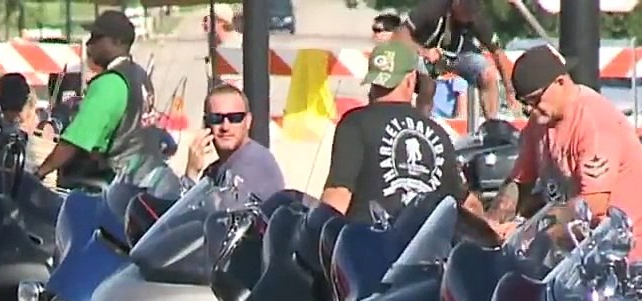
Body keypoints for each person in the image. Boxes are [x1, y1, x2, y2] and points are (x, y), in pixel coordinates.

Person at [487, 45, 642, 260]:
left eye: (535, 100)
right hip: (588, 251)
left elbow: (593, 205)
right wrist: (490, 228)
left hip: (634, 251)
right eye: (524, 103)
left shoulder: (594, 122)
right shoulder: (540, 122)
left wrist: (530, 233)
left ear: (560, 82)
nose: (530, 109)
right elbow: (519, 183)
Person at [321, 40, 480, 222]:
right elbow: (469, 205)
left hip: (366, 246)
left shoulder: (355, 124)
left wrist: (316, 234)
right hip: (422, 247)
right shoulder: (438, 133)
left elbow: (337, 196)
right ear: (411, 80)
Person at [34, 10, 155, 185]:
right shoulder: (140, 77)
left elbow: (74, 141)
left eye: (96, 37)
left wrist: (40, 172)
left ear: (117, 41)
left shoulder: (110, 82)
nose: (89, 44)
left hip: (105, 185)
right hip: (136, 181)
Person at [397, 0, 517, 123]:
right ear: (456, 3)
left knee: (487, 71)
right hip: (422, 51)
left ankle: (492, 125)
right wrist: (424, 52)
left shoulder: (477, 18)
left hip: (452, 56)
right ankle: (422, 123)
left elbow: (498, 52)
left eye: (471, 14)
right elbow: (400, 34)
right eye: (465, 12)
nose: (468, 18)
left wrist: (509, 88)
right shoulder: (433, 8)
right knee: (428, 82)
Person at [184, 84, 285, 201]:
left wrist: (190, 178)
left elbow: (220, 214)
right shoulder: (215, 170)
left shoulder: (254, 163)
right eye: (217, 119)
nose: (225, 127)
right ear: (206, 123)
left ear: (248, 122)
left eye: (235, 118)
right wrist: (192, 171)